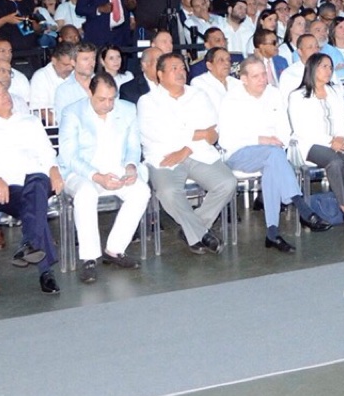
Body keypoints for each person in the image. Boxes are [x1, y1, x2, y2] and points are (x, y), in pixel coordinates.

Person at [0, 79, 64, 294]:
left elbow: (47, 151)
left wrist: (53, 169)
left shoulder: (30, 121)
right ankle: (42, 266)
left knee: (37, 183)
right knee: (35, 206)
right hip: (5, 189)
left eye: (5, 92)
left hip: (37, 179)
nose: (5, 96)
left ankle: (33, 250)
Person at [218, 55, 323, 250]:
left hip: (273, 153)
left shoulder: (273, 94)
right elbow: (226, 139)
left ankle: (272, 232)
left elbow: (284, 129)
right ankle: (302, 207)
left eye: (264, 74)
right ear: (244, 79)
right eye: (256, 76)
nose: (262, 79)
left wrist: (275, 142)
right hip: (239, 154)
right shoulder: (231, 100)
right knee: (274, 156)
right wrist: (260, 139)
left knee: (273, 163)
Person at [56, 72, 149, 283]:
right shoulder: (72, 112)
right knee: (86, 194)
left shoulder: (127, 109)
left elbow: (133, 146)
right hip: (81, 172)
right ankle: (89, 258)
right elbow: (69, 156)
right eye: (102, 99)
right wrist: (97, 177)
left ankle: (114, 249)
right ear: (90, 93)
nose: (108, 104)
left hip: (116, 168)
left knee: (141, 192)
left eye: (111, 99)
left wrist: (131, 166)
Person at [138, 53, 234, 255]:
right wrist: (196, 134)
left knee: (227, 183)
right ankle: (201, 233)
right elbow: (159, 134)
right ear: (160, 74)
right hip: (164, 156)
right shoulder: (148, 101)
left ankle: (192, 230)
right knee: (168, 192)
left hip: (198, 153)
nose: (181, 72)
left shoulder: (198, 95)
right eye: (174, 68)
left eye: (182, 67)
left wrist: (186, 148)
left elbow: (211, 132)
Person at [285, 54, 344, 230]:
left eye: (330, 67)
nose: (329, 70)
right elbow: (301, 129)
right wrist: (330, 142)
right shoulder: (297, 96)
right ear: (313, 68)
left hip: (338, 141)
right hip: (311, 145)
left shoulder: (335, 91)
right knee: (335, 161)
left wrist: (340, 137)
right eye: (324, 66)